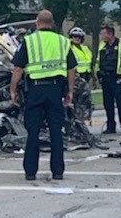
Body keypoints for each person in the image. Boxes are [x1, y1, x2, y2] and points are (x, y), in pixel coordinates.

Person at [8, 10, 76, 182]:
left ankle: (30, 172)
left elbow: (18, 68)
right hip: (55, 91)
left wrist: (13, 89)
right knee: (56, 132)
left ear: (37, 22)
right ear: (52, 23)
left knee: (33, 132)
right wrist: (70, 91)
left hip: (36, 91)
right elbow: (71, 69)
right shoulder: (63, 41)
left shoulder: (29, 41)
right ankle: (58, 171)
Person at [96, 24, 121, 145]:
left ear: (110, 34)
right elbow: (99, 61)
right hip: (105, 79)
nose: (102, 36)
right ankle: (110, 126)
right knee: (107, 104)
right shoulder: (102, 46)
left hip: (117, 79)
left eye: (103, 34)